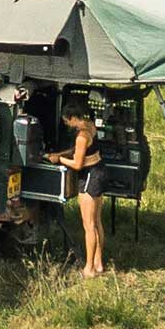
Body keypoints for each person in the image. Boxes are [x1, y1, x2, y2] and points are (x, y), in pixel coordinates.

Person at [45, 101, 105, 277]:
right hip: (100, 172)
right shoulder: (90, 127)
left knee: (89, 225)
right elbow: (77, 150)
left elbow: (77, 164)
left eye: (66, 121)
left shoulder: (81, 137)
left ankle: (89, 269)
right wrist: (62, 153)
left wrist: (59, 160)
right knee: (97, 222)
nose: (66, 125)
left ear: (72, 119)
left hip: (88, 178)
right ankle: (98, 263)